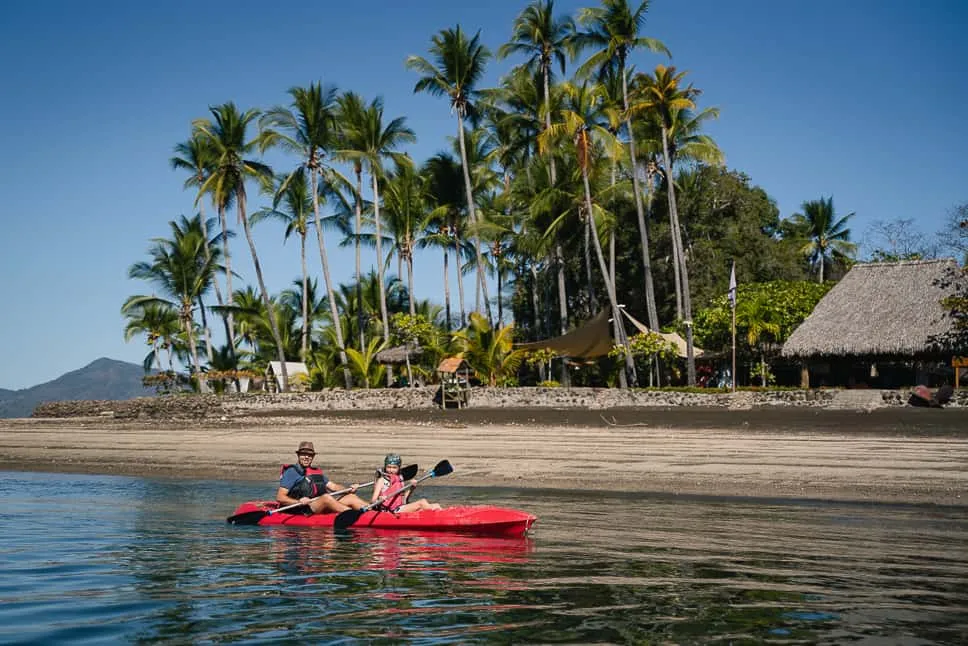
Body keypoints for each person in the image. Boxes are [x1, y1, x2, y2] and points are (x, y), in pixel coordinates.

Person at [276, 441, 367, 514]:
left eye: (310, 455)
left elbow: (334, 487)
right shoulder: (291, 472)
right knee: (326, 498)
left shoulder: (315, 472)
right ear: (298, 455)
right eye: (303, 454)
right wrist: (298, 502)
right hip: (301, 509)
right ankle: (354, 515)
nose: (307, 457)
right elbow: (280, 497)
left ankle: (373, 511)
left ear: (313, 456)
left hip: (319, 504)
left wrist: (348, 489)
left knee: (350, 496)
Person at [371, 453, 443, 513]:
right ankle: (440, 516)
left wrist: (412, 488)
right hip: (390, 511)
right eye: (388, 467)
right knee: (422, 502)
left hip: (399, 508)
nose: (391, 470)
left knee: (436, 505)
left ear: (399, 468)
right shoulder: (382, 480)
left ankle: (442, 514)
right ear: (385, 467)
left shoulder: (400, 479)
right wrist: (380, 499)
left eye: (394, 467)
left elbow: (404, 499)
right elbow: (373, 500)